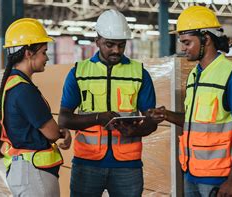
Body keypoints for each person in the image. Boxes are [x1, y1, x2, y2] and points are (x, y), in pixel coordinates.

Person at [149, 6, 232, 197]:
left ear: (206, 38)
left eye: (187, 43)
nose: (182, 48)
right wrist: (166, 115)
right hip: (191, 173)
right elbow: (194, 123)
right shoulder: (195, 75)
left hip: (219, 178)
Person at [58, 9, 158, 196]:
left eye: (121, 45)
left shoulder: (139, 73)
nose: (116, 50)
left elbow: (150, 121)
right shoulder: (79, 72)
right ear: (97, 41)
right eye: (109, 44)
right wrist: (98, 118)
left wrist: (137, 130)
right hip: (87, 163)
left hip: (128, 165)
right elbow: (64, 120)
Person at [0, 18, 72, 197]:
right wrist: (61, 132)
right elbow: (51, 132)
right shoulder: (23, 90)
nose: (47, 58)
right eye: (43, 52)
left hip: (26, 173)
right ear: (28, 53)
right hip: (34, 175)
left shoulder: (14, 84)